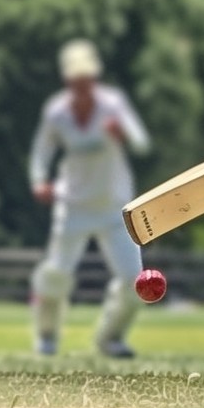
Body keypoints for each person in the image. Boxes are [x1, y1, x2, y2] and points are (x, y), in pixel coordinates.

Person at [27, 40, 150, 357]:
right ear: (68, 82)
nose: (83, 87)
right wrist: (40, 180)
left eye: (88, 80)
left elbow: (141, 142)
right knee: (55, 275)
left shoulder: (113, 104)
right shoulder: (56, 112)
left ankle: (110, 338)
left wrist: (121, 132)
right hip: (73, 206)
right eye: (76, 81)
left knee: (134, 282)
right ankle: (47, 337)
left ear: (94, 79)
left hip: (114, 206)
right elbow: (42, 150)